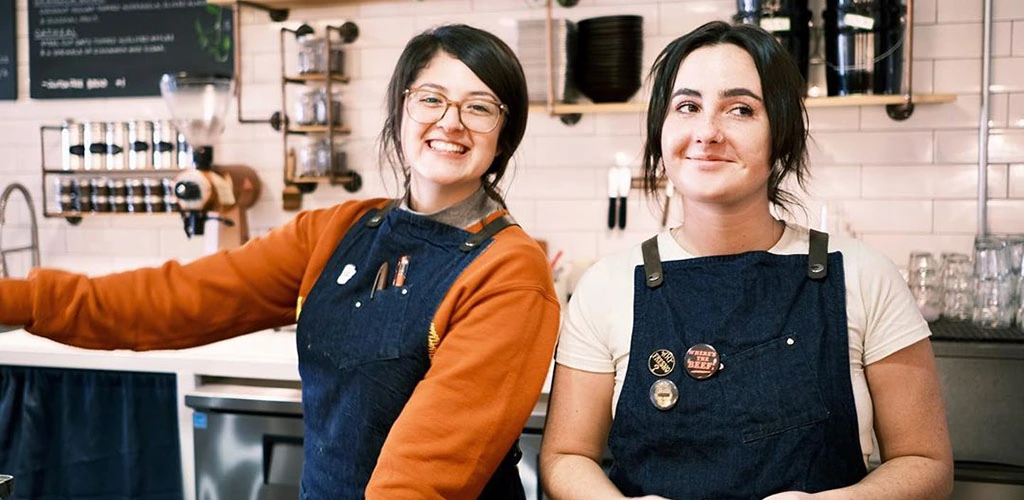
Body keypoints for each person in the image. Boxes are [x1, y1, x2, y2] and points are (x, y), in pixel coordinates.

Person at [0, 24, 560, 499]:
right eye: (431, 98)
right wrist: (20, 300)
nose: (450, 121)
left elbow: (425, 471)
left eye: (479, 107)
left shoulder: (509, 272)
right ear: (400, 109)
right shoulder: (337, 230)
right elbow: (173, 300)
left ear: (502, 136)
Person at [539, 21, 952, 500]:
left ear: (781, 133)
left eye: (740, 109)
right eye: (688, 106)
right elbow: (566, 456)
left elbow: (926, 464)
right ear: (660, 130)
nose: (708, 132)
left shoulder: (865, 276)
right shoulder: (606, 286)